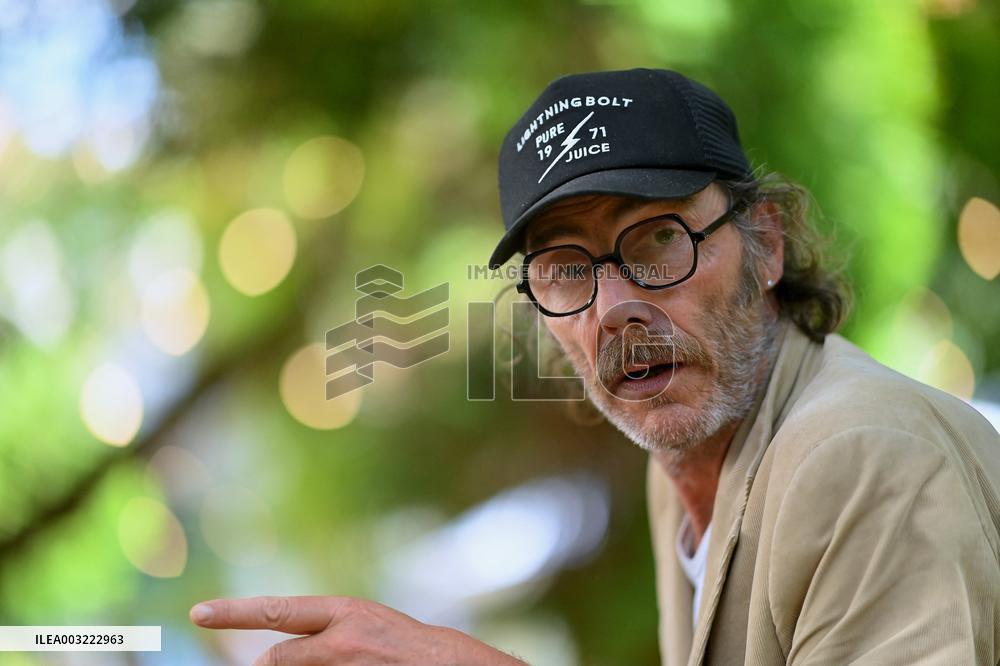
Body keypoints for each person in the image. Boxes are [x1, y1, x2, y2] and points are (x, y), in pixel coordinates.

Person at [189, 68, 1000, 665]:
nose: (611, 307)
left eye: (655, 237)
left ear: (767, 244)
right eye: (566, 267)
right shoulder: (683, 468)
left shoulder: (861, 453)